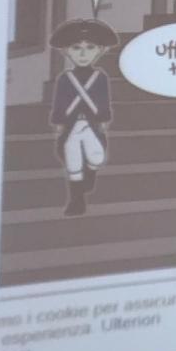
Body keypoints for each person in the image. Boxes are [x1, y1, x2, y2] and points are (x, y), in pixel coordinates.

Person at [49, 18, 118, 216]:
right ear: (66, 51)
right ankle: (76, 200)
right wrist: (59, 122)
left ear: (100, 50)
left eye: (90, 48)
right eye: (76, 48)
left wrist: (104, 118)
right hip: (71, 125)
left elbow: (103, 99)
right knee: (73, 161)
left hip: (92, 123)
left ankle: (91, 173)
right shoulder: (65, 78)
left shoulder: (100, 77)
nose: (82, 54)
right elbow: (60, 101)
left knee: (97, 157)